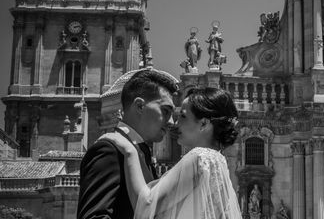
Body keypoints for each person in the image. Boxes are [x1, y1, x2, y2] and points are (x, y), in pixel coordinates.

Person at [99, 87, 241, 219]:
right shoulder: (219, 162)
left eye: (183, 116)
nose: (175, 123)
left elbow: (145, 206)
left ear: (203, 124)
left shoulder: (199, 157)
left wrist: (129, 151)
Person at [77, 68, 179, 219]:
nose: (171, 122)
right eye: (165, 111)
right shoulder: (109, 150)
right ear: (139, 106)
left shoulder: (138, 150)